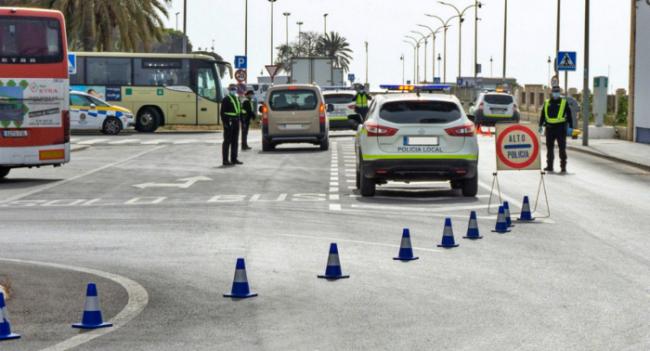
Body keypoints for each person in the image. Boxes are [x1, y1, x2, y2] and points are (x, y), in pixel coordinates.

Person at [539, 86, 573, 173]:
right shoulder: (547, 103)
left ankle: (563, 167)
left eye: (557, 92)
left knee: (562, 148)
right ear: (552, 92)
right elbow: (543, 115)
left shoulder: (563, 102)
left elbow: (569, 115)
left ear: (560, 92)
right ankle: (549, 166)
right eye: (554, 92)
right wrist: (540, 126)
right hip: (549, 129)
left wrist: (570, 127)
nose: (556, 93)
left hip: (560, 129)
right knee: (549, 148)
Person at [220, 85, 243, 166]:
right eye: (232, 89)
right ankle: (225, 160)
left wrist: (241, 120)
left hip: (236, 121)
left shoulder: (237, 99)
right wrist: (225, 124)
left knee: (235, 141)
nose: (234, 90)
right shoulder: (226, 99)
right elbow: (222, 113)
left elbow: (239, 111)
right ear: (229, 90)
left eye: (235, 89)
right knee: (227, 141)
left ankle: (234, 159)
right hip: (229, 121)